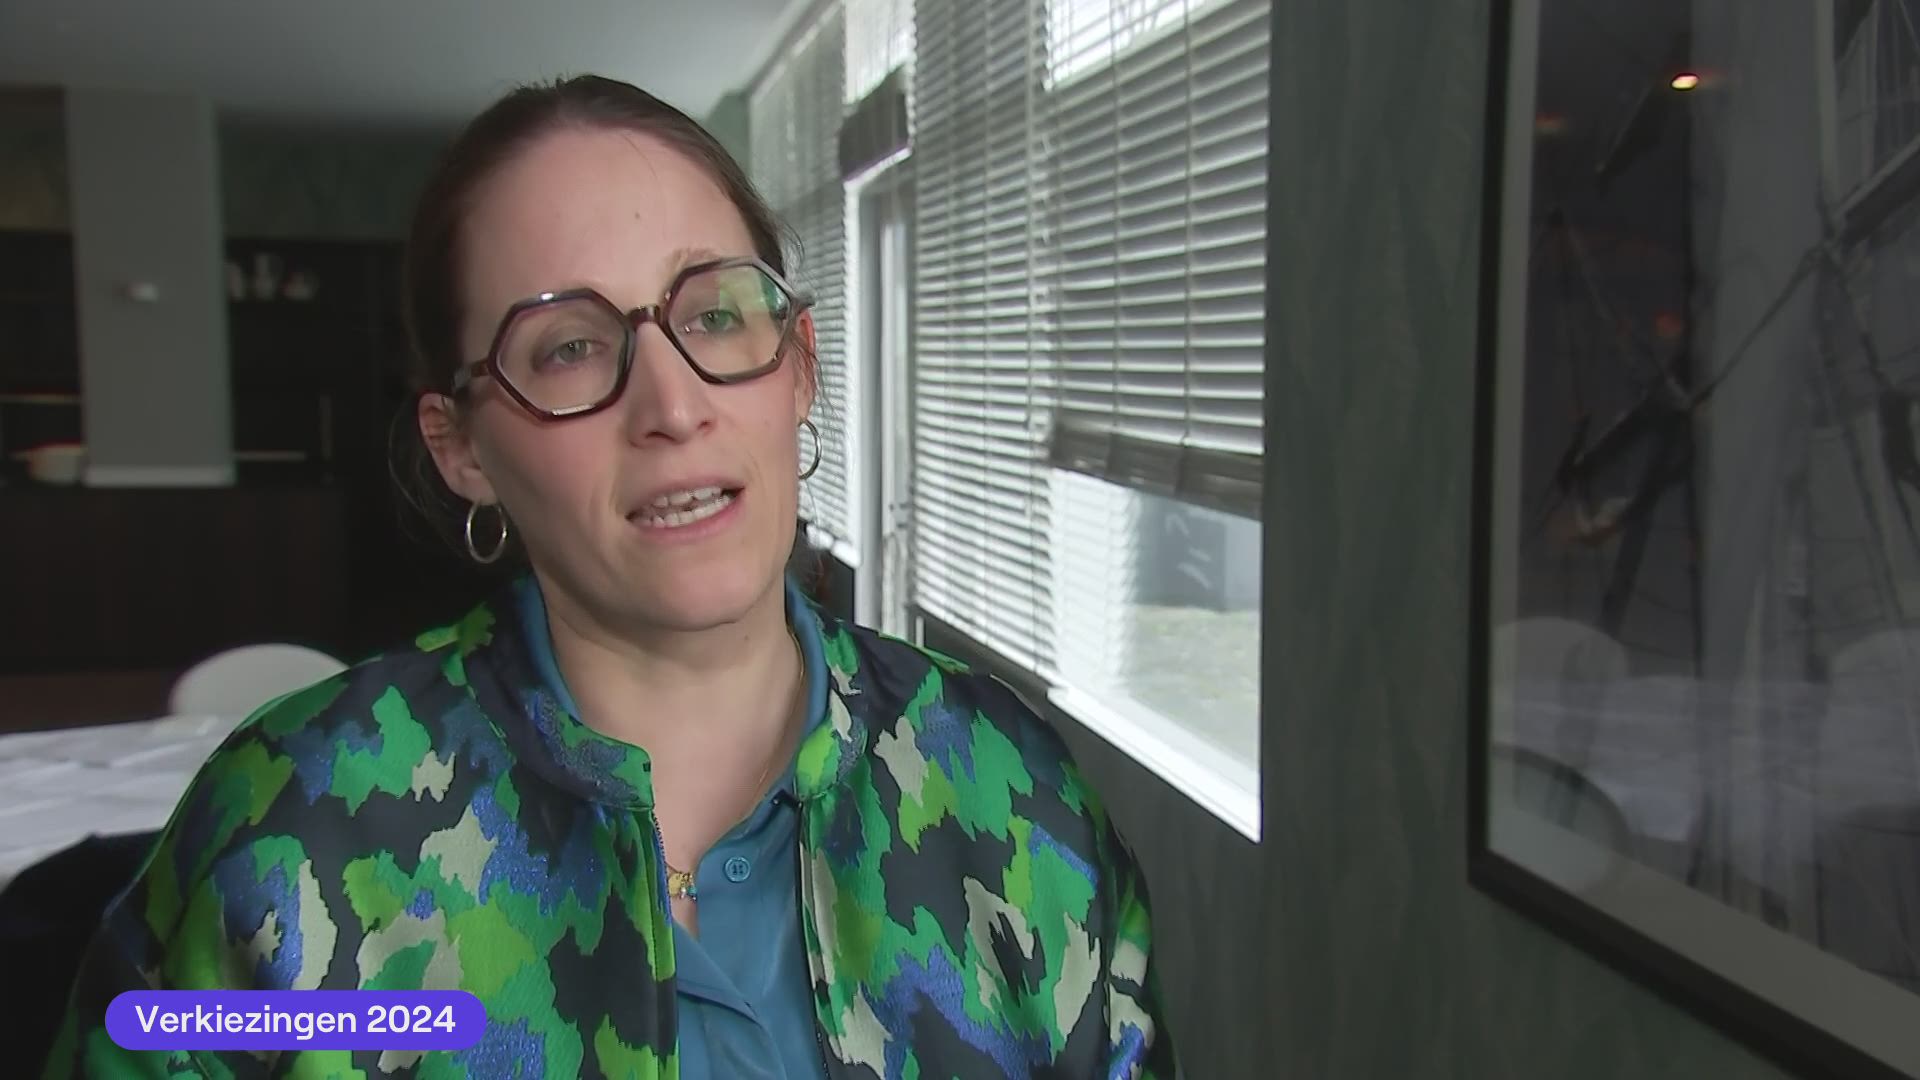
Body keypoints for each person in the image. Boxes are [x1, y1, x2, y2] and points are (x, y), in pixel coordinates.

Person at [45, 74, 1176, 1079]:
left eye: (715, 315)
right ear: (461, 447)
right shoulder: (290, 823)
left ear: (798, 367)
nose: (672, 405)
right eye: (570, 347)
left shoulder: (1012, 795)